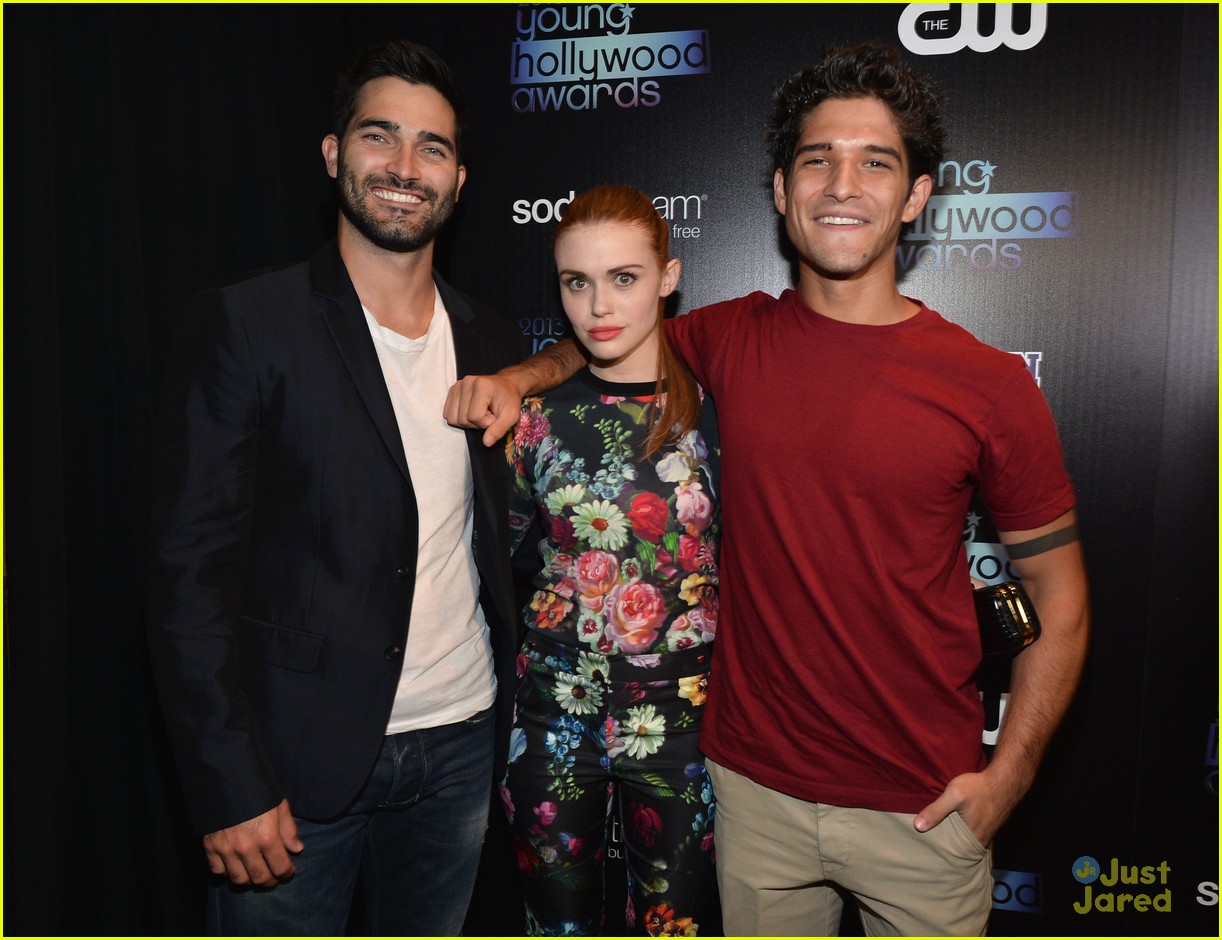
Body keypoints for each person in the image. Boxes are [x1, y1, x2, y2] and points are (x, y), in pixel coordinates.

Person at [444, 43, 1090, 936]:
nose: (842, 183)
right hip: (751, 802)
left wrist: (1009, 774)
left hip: (924, 809)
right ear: (782, 193)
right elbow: (604, 342)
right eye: (817, 159)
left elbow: (1059, 597)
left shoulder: (988, 385)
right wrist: (521, 377)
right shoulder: (726, 340)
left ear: (917, 197)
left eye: (877, 161)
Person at [145, 39, 525, 936]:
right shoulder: (249, 323)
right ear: (333, 154)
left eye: (431, 147)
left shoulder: (491, 338)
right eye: (378, 137)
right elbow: (184, 576)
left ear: (459, 178)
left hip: (463, 747)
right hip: (291, 769)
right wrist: (229, 782)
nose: (403, 167)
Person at [502, 185, 721, 936]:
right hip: (553, 712)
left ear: (667, 276)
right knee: (553, 926)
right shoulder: (533, 415)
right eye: (577, 282)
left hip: (683, 718)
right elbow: (491, 562)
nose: (599, 305)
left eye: (623, 278)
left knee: (675, 928)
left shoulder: (718, 406)